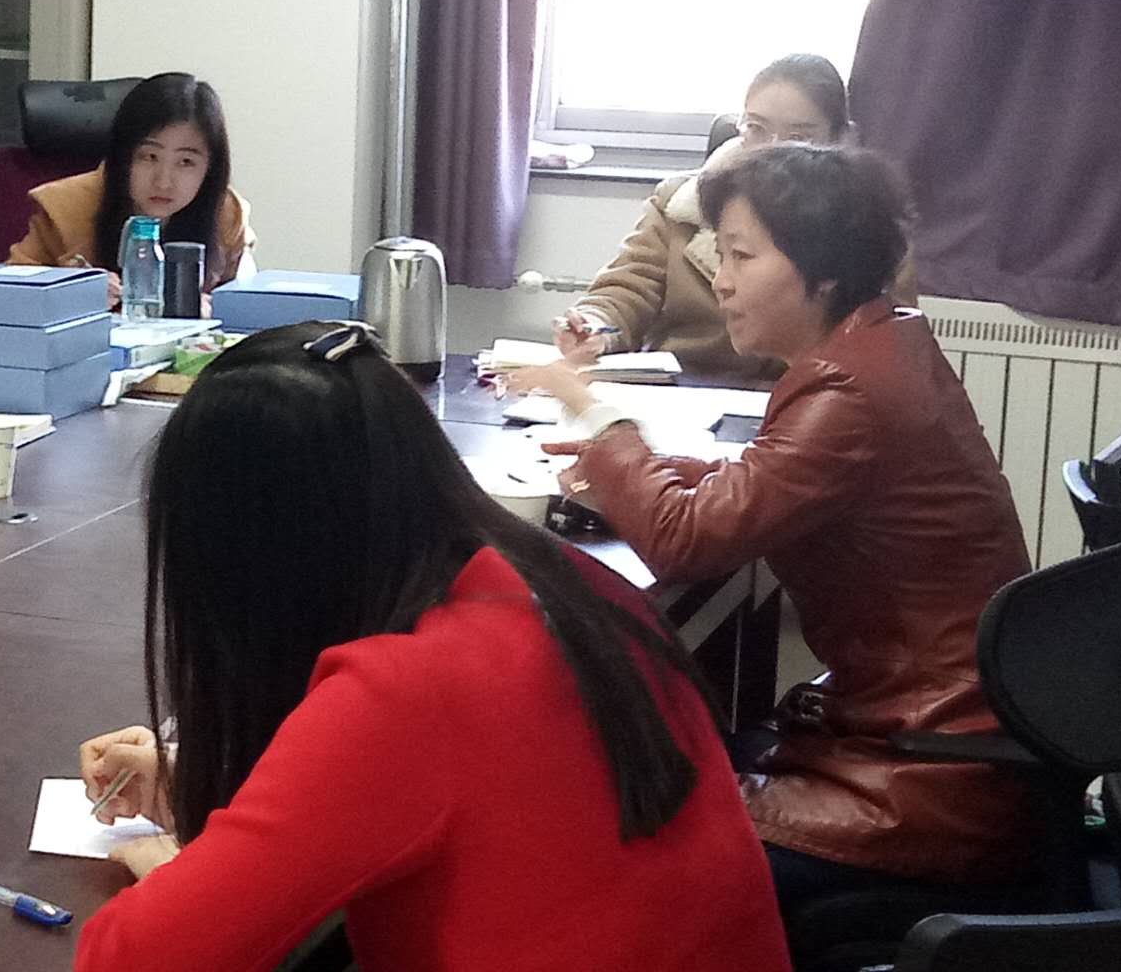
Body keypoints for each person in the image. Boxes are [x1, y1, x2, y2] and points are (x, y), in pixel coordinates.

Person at [71, 322, 789, 971]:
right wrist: (202, 788)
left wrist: (183, 877)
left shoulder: (404, 693)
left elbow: (128, 959)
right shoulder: (559, 577)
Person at [516, 145, 1032, 909]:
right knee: (656, 759)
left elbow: (685, 541)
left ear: (820, 274)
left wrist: (595, 414)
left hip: (926, 777)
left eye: (740, 255)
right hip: (938, 737)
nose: (720, 279)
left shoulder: (847, 388)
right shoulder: (880, 342)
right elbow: (770, 481)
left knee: (614, 830)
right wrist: (633, 468)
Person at [556, 54, 916, 383]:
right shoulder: (680, 205)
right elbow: (627, 288)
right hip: (681, 387)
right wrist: (594, 326)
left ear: (839, 140)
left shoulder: (867, 225)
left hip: (805, 393)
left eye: (798, 137)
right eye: (756, 129)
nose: (771, 149)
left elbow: (886, 341)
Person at [7, 71, 256, 310]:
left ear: (211, 168)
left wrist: (213, 309)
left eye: (186, 162)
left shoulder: (227, 214)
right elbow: (7, 293)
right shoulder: (65, 207)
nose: (163, 182)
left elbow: (246, 305)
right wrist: (69, 294)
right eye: (149, 157)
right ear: (123, 156)